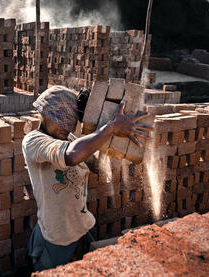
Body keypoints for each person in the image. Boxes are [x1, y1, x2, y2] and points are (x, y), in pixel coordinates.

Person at [23, 85, 152, 271]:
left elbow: (97, 167)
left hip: (83, 228)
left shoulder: (68, 139)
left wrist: (108, 128)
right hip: (56, 238)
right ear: (44, 114)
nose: (66, 127)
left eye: (71, 122)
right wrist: (111, 128)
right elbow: (72, 156)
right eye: (60, 120)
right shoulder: (34, 141)